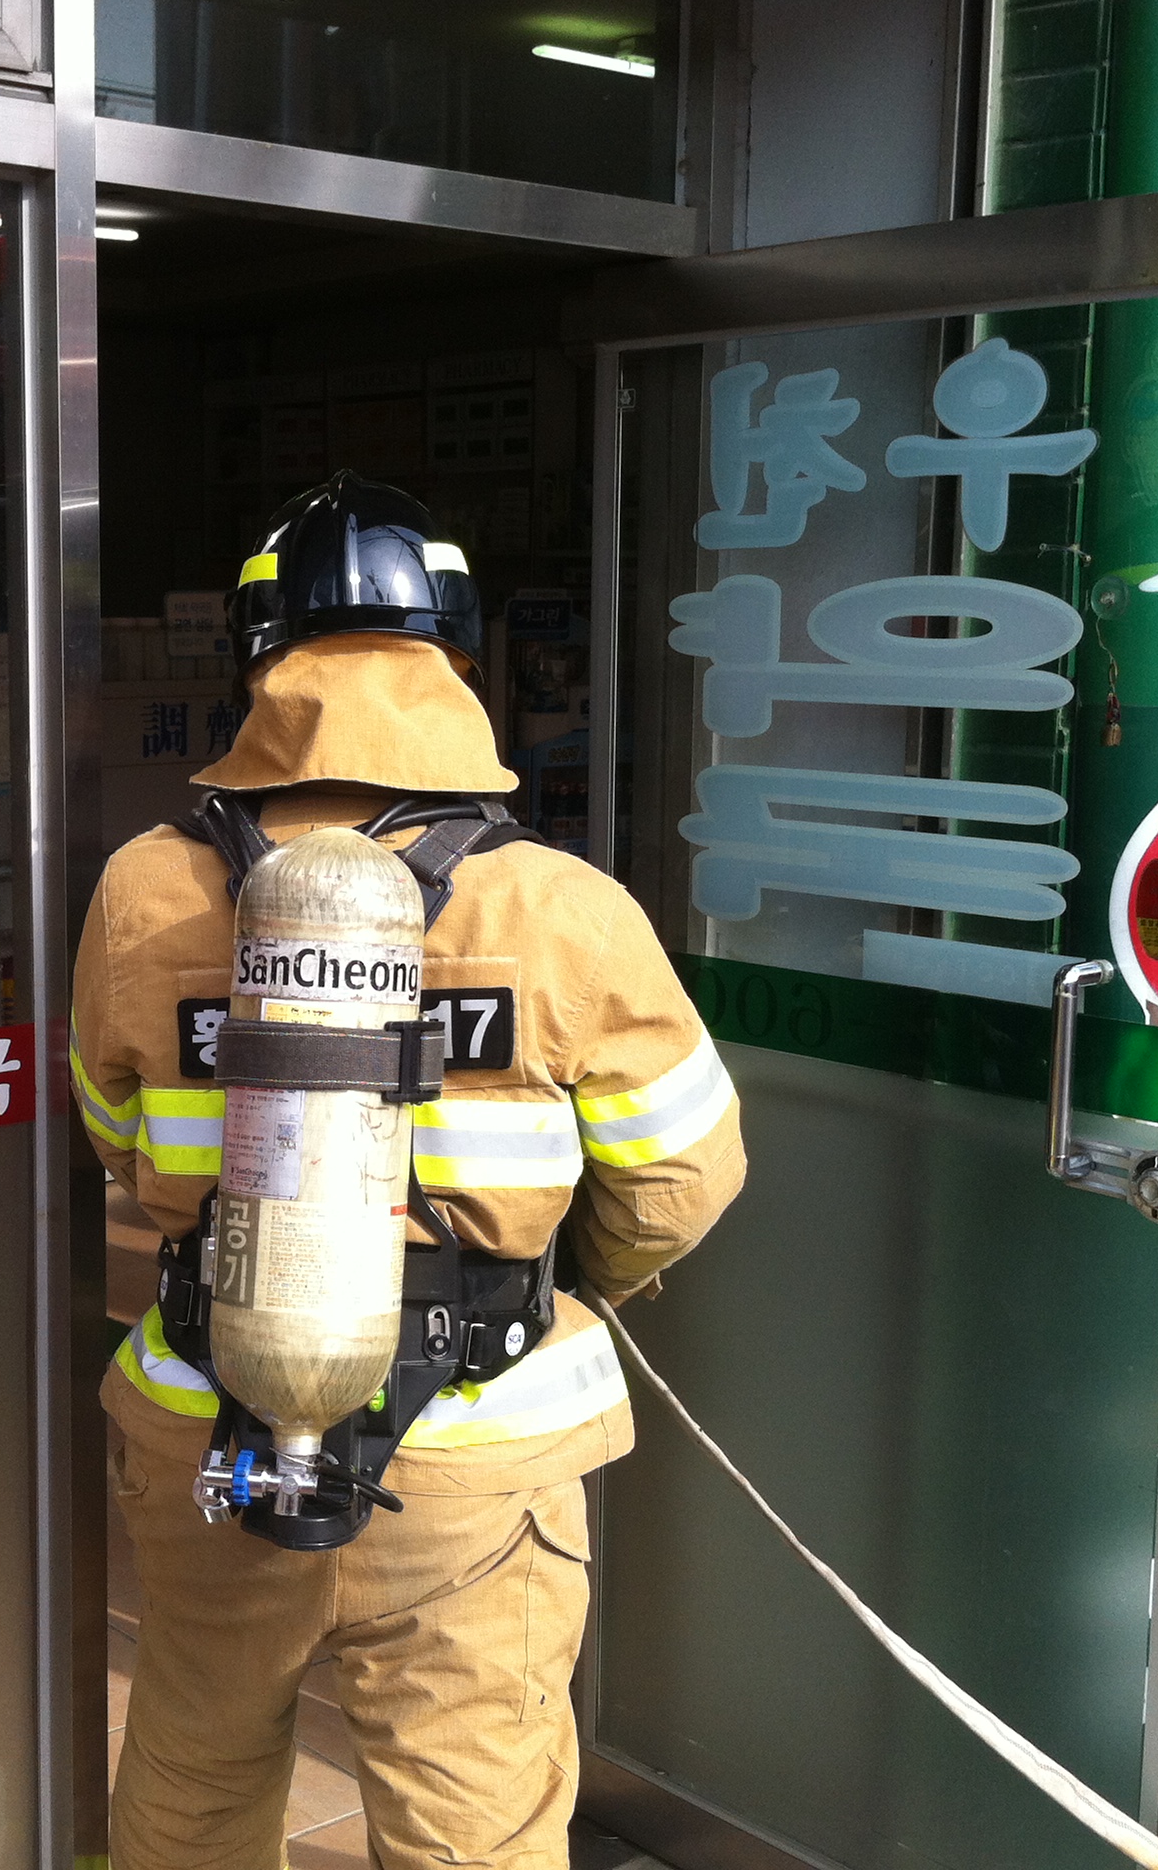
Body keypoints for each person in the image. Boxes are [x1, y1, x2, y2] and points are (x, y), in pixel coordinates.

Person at [70, 471, 746, 1870]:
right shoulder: (560, 905)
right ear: (457, 660)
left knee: (191, 1785)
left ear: (257, 663)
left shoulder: (143, 888)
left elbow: (118, 1137)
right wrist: (566, 1278)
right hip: (477, 1454)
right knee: (471, 1828)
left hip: (214, 1425)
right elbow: (683, 1175)